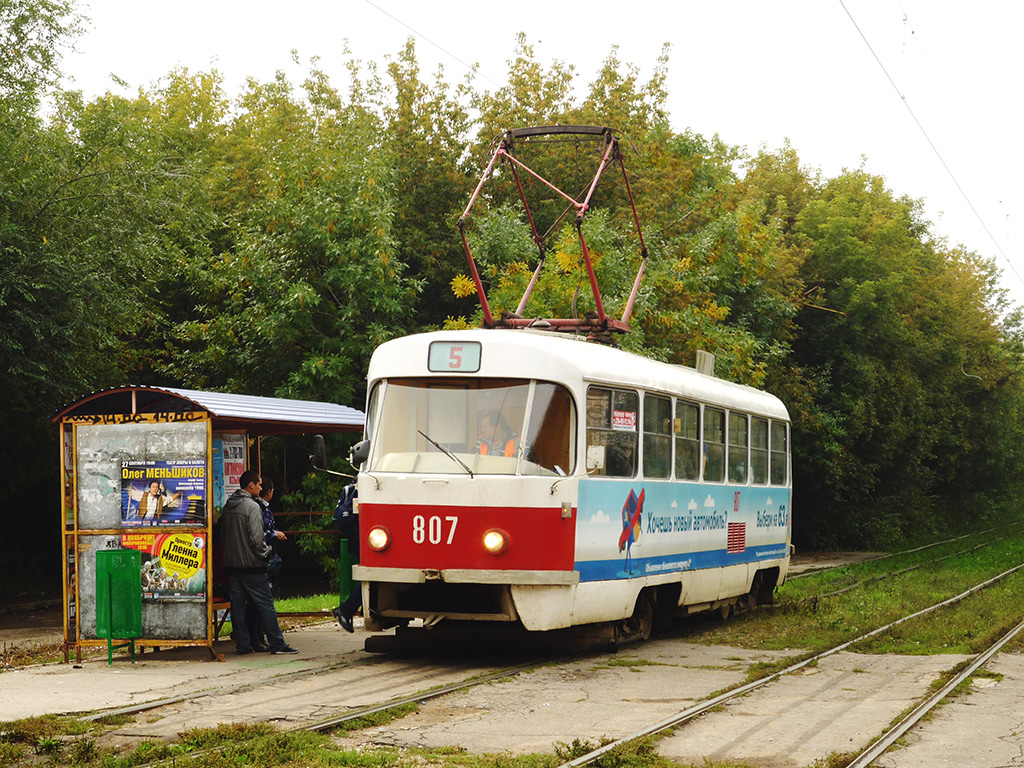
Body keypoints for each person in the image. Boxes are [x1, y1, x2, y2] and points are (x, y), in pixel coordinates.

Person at [220, 470, 298, 655]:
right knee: (266, 604)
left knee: (238, 607)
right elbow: (257, 539)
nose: (261, 488)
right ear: (251, 486)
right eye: (259, 484)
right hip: (252, 565)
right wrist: (264, 556)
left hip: (232, 565)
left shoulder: (229, 506)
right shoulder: (252, 507)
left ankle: (243, 645)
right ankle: (277, 643)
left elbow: (223, 535)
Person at [247, 476, 286, 650]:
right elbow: (259, 533)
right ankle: (259, 636)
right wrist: (273, 535)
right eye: (259, 484)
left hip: (262, 557)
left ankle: (257, 636)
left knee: (259, 601)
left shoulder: (259, 507)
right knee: (263, 601)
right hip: (262, 558)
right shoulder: (258, 508)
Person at [331, 483, 360, 633]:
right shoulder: (361, 487)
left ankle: (346, 610)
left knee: (371, 580)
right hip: (365, 538)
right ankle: (346, 610)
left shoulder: (353, 487)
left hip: (357, 537)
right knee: (373, 581)